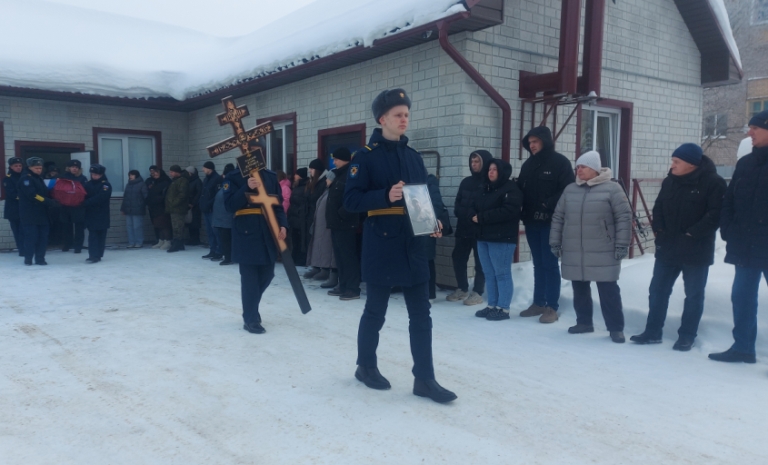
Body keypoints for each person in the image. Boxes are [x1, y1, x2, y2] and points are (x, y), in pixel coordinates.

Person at [344, 88, 456, 403]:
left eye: (406, 114)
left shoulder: (414, 157)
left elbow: (424, 197)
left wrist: (434, 222)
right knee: (375, 311)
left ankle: (425, 379)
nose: (404, 119)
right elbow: (350, 200)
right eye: (398, 114)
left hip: (414, 244)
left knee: (421, 315)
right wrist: (384, 195)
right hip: (381, 243)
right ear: (382, 119)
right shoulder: (364, 157)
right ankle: (365, 366)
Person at [631, 144, 726, 350]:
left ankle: (687, 336)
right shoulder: (670, 181)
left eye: (676, 162)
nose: (672, 165)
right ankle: (652, 331)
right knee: (658, 291)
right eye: (672, 161)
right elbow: (658, 207)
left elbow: (715, 214)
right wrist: (658, 229)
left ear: (691, 164)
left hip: (696, 250)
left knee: (693, 295)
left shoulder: (713, 182)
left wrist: (692, 233)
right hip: (668, 248)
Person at [549, 151, 632, 343]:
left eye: (583, 167)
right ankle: (584, 322)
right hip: (575, 249)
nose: (579, 170)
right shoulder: (570, 190)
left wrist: (622, 244)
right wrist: (555, 241)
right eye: (577, 167)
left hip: (604, 249)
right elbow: (558, 217)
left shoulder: (613, 189)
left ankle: (616, 328)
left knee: (608, 290)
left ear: (594, 169)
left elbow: (623, 217)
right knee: (579, 287)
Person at [709, 110, 768, 364]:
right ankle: (743, 348)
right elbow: (729, 201)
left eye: (755, 128)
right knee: (742, 298)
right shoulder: (745, 164)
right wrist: (727, 228)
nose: (749, 132)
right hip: (745, 244)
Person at [517, 126, 575, 323]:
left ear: (545, 141)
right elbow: (520, 190)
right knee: (538, 263)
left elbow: (568, 190)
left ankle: (552, 307)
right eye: (529, 142)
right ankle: (538, 302)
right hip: (531, 221)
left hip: (551, 222)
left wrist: (547, 204)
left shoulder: (560, 163)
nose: (532, 145)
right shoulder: (528, 165)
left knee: (549, 264)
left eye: (535, 141)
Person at [223, 164, 288, 334]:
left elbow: (278, 205)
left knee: (268, 274)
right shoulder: (234, 177)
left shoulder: (270, 176)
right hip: (246, 233)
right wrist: (246, 187)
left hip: (268, 232)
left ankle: (250, 308)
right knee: (250, 279)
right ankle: (251, 319)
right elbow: (229, 205)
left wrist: (283, 225)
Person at [471, 158, 523, 320]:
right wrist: (472, 214)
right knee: (489, 273)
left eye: (494, 169)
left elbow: (509, 211)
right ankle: (492, 305)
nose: (491, 172)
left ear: (502, 172)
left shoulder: (511, 189)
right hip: (483, 237)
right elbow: (473, 205)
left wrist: (482, 217)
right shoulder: (484, 188)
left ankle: (503, 308)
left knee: (502, 273)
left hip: (502, 238)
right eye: (489, 169)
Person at [447, 150, 491, 306]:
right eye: (472, 161)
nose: (474, 164)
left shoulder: (489, 183)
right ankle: (462, 288)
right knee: (458, 257)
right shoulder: (466, 182)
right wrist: (462, 213)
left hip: (480, 230)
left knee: (480, 261)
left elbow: (488, 206)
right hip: (463, 228)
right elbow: (458, 203)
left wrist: (478, 217)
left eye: (477, 161)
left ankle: (478, 292)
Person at [325, 147, 362, 300]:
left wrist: (342, 214)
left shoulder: (351, 174)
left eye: (336, 159)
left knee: (348, 257)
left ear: (344, 159)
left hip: (346, 223)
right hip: (335, 223)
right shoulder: (338, 175)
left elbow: (353, 197)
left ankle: (353, 288)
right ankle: (343, 284)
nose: (334, 162)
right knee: (340, 257)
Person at [17, 157, 58, 265]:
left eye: (40, 168)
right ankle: (28, 259)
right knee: (31, 238)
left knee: (43, 238)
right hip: (30, 214)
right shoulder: (26, 179)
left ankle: (40, 259)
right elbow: (33, 195)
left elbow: (44, 192)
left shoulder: (39, 178)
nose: (39, 170)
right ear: (30, 167)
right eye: (36, 168)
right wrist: (47, 201)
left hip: (42, 213)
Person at [306, 169, 337, 288]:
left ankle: (327, 270)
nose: (326, 180)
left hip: (328, 226)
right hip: (321, 225)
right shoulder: (326, 191)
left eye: (328, 178)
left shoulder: (333, 191)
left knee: (327, 248)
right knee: (320, 246)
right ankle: (319, 266)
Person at [83, 164, 112, 263]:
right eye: (92, 174)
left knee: (101, 235)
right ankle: (93, 255)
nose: (94, 176)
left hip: (101, 214)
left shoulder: (105, 185)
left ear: (101, 174)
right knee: (93, 235)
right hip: (91, 214)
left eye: (96, 174)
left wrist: (87, 202)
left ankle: (98, 254)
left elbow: (101, 197)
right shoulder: (88, 184)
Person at [59, 160, 88, 253]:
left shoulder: (83, 178)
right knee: (66, 226)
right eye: (72, 167)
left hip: (78, 206)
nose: (74, 169)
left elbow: (85, 191)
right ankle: (67, 245)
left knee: (79, 227)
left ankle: (78, 246)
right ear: (69, 168)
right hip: (65, 206)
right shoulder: (63, 177)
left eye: (76, 167)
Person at [212, 163, 235, 265]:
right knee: (225, 239)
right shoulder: (227, 185)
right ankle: (228, 256)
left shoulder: (227, 185)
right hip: (223, 218)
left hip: (226, 218)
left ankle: (228, 257)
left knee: (226, 240)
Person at [146, 166, 172, 250]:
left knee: (164, 225)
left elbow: (165, 195)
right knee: (158, 225)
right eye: (153, 173)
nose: (154, 174)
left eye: (156, 173)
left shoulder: (166, 182)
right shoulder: (154, 182)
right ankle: (161, 240)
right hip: (154, 207)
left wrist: (157, 199)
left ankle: (167, 241)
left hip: (163, 206)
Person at [120, 170, 148, 248]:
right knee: (129, 226)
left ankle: (139, 242)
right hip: (128, 208)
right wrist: (123, 209)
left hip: (138, 208)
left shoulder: (142, 184)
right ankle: (131, 242)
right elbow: (125, 197)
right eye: (129, 175)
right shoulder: (128, 184)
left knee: (137, 226)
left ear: (136, 176)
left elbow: (145, 196)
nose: (130, 176)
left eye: (132, 175)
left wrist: (141, 204)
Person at [200, 161, 222, 260]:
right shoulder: (206, 179)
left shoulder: (217, 179)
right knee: (209, 231)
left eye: (204, 168)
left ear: (209, 168)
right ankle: (212, 250)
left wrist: (209, 204)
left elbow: (217, 195)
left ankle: (219, 251)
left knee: (216, 231)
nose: (203, 169)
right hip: (206, 209)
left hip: (213, 209)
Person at [288, 167, 310, 267]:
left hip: (299, 217)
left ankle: (299, 259)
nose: (294, 176)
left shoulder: (303, 187)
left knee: (299, 240)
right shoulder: (297, 186)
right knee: (295, 239)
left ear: (300, 176)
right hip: (295, 217)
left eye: (296, 174)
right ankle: (296, 258)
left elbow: (299, 203)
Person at [165, 165, 189, 253]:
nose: (170, 173)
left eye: (171, 172)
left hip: (178, 208)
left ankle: (177, 243)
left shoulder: (182, 181)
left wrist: (173, 203)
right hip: (174, 208)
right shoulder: (175, 180)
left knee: (178, 227)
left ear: (176, 172)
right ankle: (179, 244)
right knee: (175, 226)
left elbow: (182, 195)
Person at [3, 157, 24, 255]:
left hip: (24, 209)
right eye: (16, 166)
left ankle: (27, 248)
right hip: (13, 209)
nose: (18, 167)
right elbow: (12, 194)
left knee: (25, 230)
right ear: (11, 167)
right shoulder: (8, 179)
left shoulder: (25, 177)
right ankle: (22, 250)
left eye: (20, 166)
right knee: (17, 230)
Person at [185, 166, 203, 246]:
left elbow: (198, 193)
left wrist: (193, 203)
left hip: (195, 206)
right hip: (189, 205)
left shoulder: (197, 181)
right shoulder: (189, 181)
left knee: (194, 223)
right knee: (190, 222)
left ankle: (195, 239)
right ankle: (192, 238)